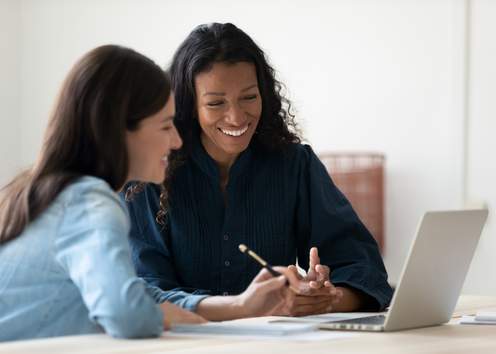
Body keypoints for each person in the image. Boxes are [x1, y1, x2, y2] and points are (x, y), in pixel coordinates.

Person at [123, 23, 393, 321]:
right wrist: (241, 307)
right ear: (189, 106)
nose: (237, 116)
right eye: (215, 103)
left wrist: (325, 298)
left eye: (249, 97)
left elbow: (365, 270)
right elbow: (144, 291)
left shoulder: (294, 165)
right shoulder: (149, 176)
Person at [0, 45, 208, 342]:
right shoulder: (89, 201)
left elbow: (130, 290)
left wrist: (237, 305)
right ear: (119, 129)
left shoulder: (45, 193)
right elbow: (127, 314)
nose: (176, 141)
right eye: (165, 127)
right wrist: (159, 315)